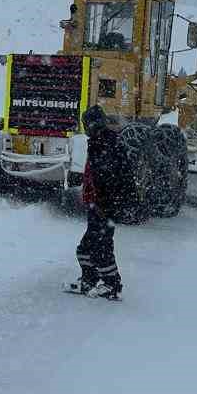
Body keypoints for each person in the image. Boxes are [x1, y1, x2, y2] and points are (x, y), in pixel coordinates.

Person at [73, 106, 131, 299]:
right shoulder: (103, 141)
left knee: (100, 246)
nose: (85, 129)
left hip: (103, 206)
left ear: (92, 124)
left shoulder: (104, 144)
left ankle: (112, 285)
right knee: (88, 247)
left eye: (86, 125)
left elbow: (109, 178)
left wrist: (104, 205)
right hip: (99, 204)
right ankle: (89, 280)